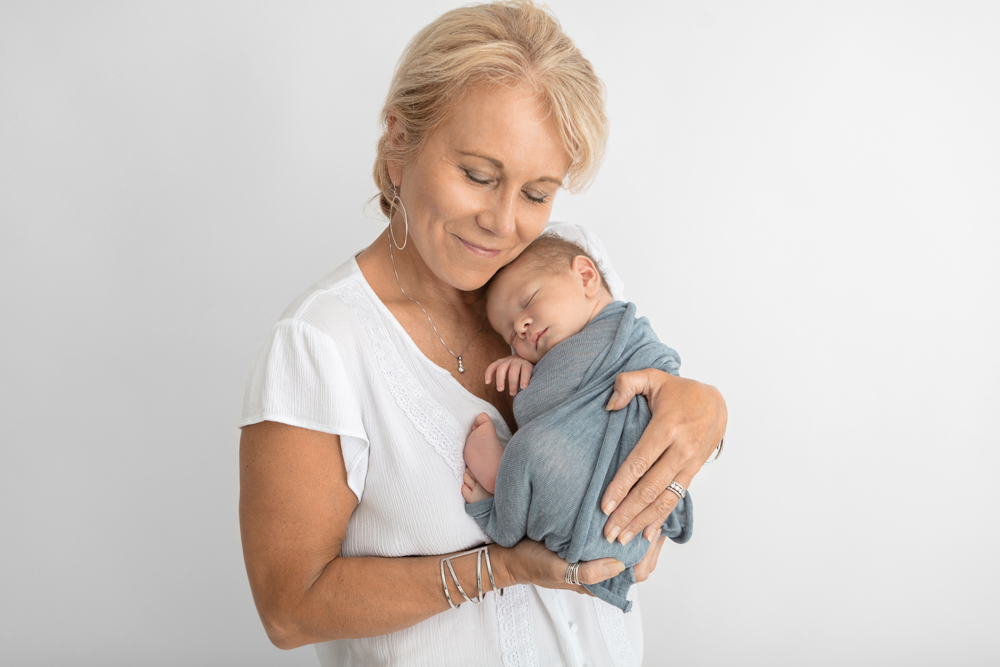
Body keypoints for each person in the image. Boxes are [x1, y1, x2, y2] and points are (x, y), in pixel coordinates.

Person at [238, 2, 727, 665]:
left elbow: (646, 391)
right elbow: (289, 607)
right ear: (398, 140)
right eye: (477, 174)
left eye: (536, 193)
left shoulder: (570, 263)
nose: (503, 223)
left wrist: (704, 409)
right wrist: (502, 566)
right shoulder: (322, 342)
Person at [460, 234, 694, 613]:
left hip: (628, 487)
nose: (520, 327)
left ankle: (501, 506)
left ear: (585, 277)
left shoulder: (625, 330)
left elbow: (665, 376)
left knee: (530, 447)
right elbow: (554, 407)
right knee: (538, 445)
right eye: (509, 336)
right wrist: (529, 369)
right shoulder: (552, 356)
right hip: (595, 512)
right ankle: (510, 485)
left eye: (527, 302)